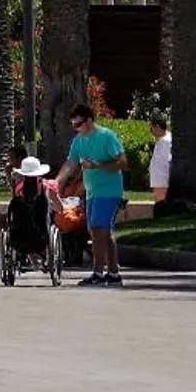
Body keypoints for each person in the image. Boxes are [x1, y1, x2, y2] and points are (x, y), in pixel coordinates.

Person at [64, 104, 126, 286]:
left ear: (89, 120)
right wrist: (58, 181)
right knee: (101, 232)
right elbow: (70, 162)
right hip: (92, 192)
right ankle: (113, 274)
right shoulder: (78, 141)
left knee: (99, 229)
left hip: (109, 191)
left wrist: (97, 166)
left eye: (79, 124)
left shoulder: (107, 136)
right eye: (74, 125)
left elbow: (122, 162)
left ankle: (98, 273)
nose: (77, 128)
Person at [147, 117, 173, 206]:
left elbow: (170, 161)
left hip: (163, 182)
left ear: (157, 127)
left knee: (161, 205)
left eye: (151, 127)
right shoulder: (161, 140)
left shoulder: (166, 141)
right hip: (159, 182)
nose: (150, 130)